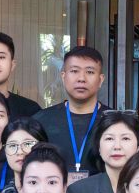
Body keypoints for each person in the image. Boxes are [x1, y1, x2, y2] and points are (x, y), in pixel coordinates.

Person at [63, 111, 139, 193]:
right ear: (99, 147)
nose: (117, 146)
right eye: (109, 138)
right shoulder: (79, 192)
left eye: (125, 138)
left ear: (138, 147)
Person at [38, 45, 109, 177]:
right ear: (63, 76)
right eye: (74, 71)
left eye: (90, 72)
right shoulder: (41, 121)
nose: (81, 78)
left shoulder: (114, 121)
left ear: (100, 80)